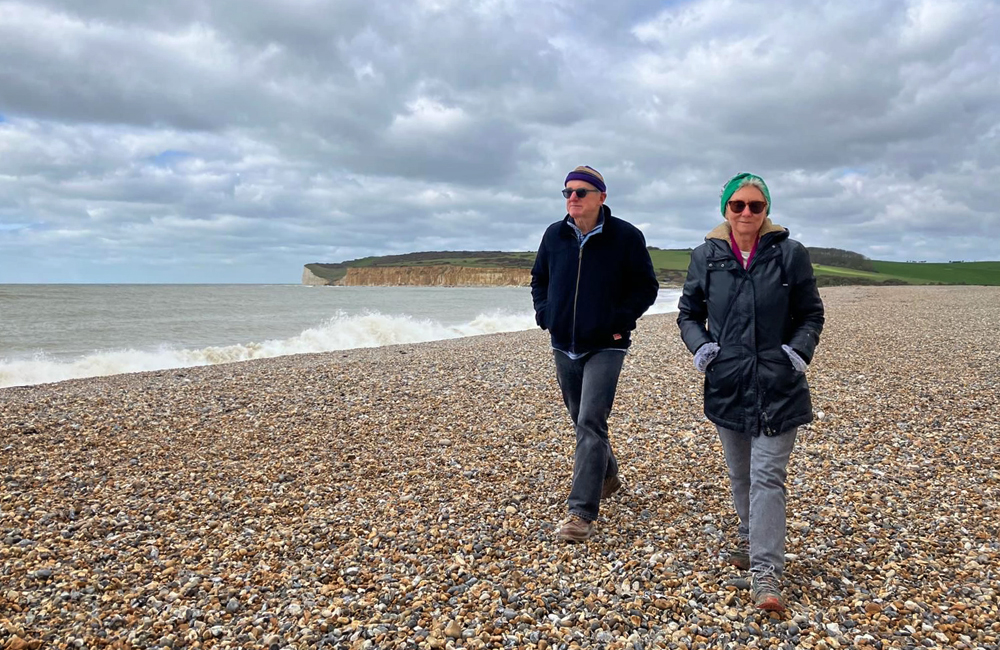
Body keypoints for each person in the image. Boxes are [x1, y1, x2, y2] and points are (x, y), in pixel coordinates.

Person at [676, 172, 824, 611]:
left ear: (766, 211)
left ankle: (766, 574)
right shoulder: (706, 256)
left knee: (766, 477)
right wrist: (702, 348)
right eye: (737, 205)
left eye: (755, 206)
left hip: (780, 382)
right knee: (741, 474)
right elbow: (688, 312)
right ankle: (749, 534)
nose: (745, 213)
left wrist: (797, 353)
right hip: (728, 382)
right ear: (725, 209)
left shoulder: (790, 254)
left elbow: (811, 315)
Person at [531, 165, 659, 543]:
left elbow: (646, 287)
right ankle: (607, 475)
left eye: (581, 192)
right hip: (563, 343)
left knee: (590, 419)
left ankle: (580, 513)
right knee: (580, 418)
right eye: (567, 191)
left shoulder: (626, 237)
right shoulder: (554, 235)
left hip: (607, 343)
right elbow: (540, 279)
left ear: (601, 197)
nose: (573, 197)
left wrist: (618, 320)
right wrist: (545, 313)